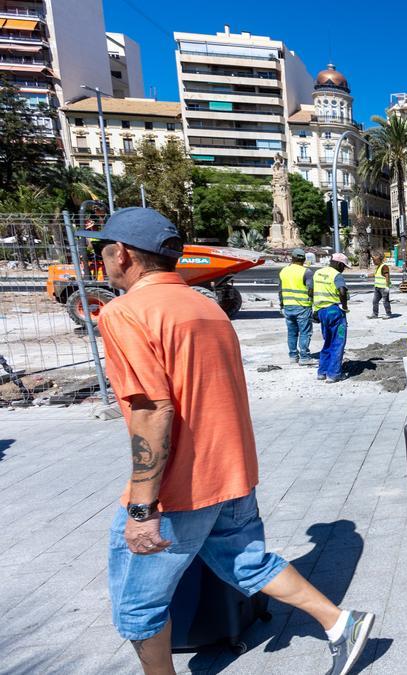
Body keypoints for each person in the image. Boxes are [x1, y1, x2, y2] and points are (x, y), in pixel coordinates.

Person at [82, 208, 375, 675]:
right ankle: (341, 623)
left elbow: (151, 409)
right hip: (234, 471)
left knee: (137, 611)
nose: (101, 262)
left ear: (122, 254)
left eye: (102, 252)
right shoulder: (207, 306)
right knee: (247, 563)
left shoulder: (125, 313)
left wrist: (142, 508)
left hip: (183, 487)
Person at [314, 253, 350, 383]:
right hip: (334, 311)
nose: (343, 269)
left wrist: (315, 310)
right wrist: (344, 306)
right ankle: (334, 374)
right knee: (337, 343)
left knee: (328, 341)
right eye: (343, 266)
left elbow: (310, 291)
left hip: (321, 312)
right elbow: (342, 291)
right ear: (339, 264)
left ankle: (322, 371)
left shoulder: (318, 273)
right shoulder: (336, 275)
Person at [278, 248, 315, 365]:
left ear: (292, 258)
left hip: (288, 306)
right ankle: (304, 357)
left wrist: (281, 305)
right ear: (304, 259)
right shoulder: (306, 272)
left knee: (292, 332)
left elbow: (280, 290)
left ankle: (293, 356)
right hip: (303, 307)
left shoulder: (283, 271)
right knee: (305, 332)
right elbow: (311, 289)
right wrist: (313, 301)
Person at [369, 254, 393, 319]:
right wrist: (367, 275)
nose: (373, 262)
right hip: (377, 287)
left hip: (383, 288)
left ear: (379, 260)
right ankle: (375, 314)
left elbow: (387, 276)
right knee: (375, 301)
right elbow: (376, 274)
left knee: (385, 301)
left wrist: (387, 287)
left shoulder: (384, 267)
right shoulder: (379, 266)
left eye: (374, 261)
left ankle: (388, 314)